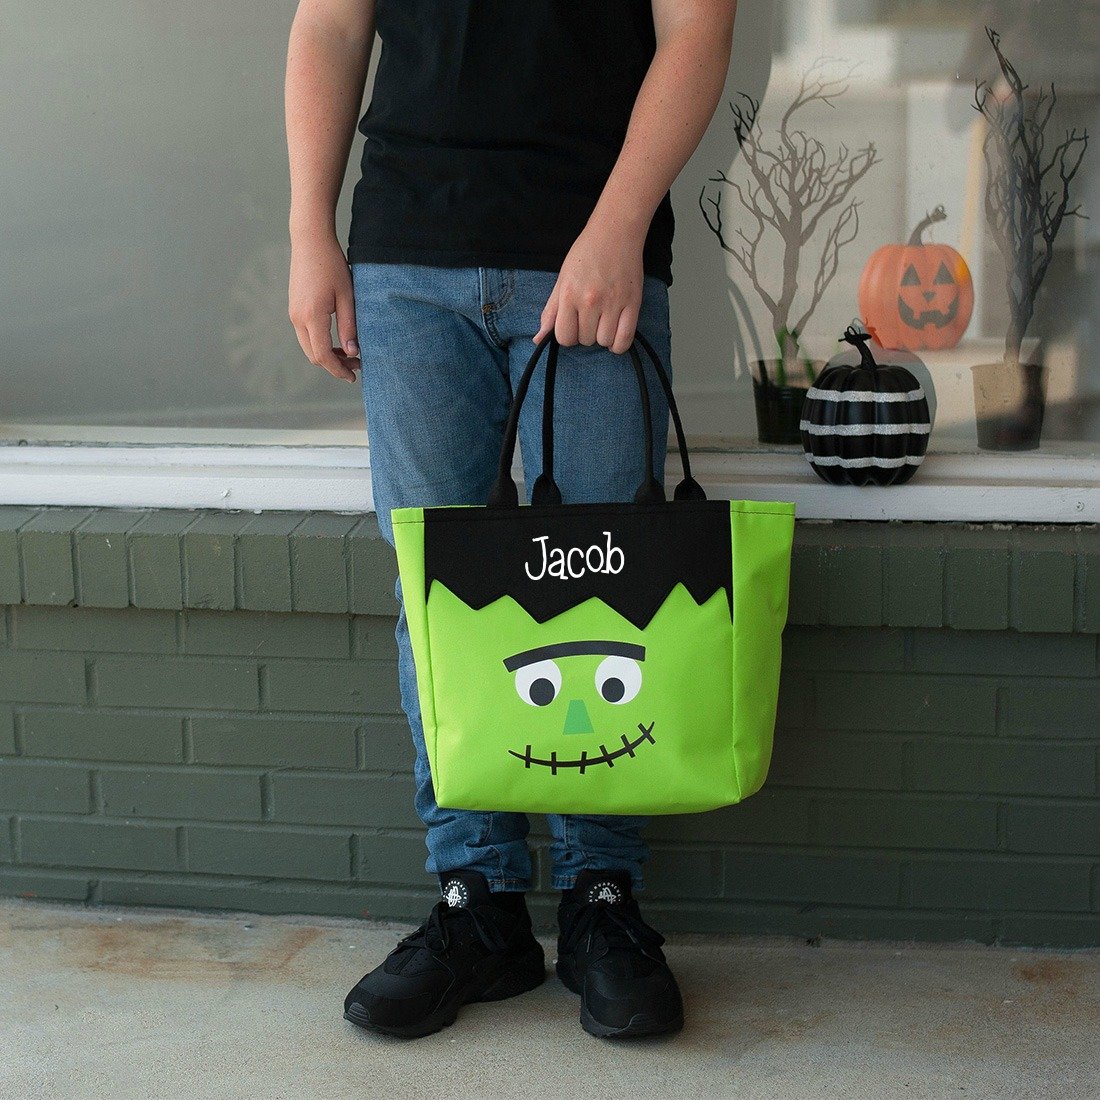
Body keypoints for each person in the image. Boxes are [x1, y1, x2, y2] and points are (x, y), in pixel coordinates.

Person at [285, 0, 737, 1040]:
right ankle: (475, 901)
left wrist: (618, 227)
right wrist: (311, 229)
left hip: (589, 253)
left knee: (609, 587)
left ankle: (601, 899)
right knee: (437, 602)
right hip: (406, 261)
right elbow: (330, 28)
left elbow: (697, 33)